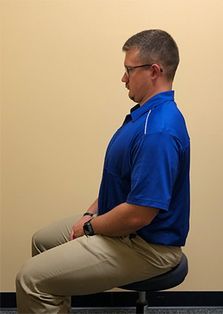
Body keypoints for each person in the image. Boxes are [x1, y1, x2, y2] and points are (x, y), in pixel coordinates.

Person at [16, 29, 190, 313]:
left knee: (30, 279)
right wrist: (89, 213)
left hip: (147, 247)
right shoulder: (143, 116)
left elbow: (139, 214)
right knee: (42, 240)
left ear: (154, 71)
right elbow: (120, 180)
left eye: (129, 70)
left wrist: (88, 227)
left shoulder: (157, 130)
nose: (123, 79)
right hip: (122, 229)